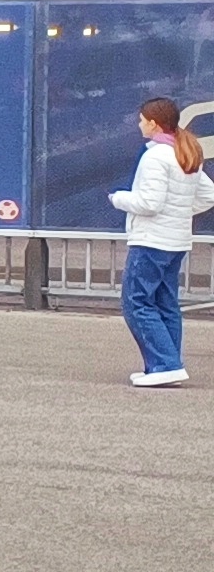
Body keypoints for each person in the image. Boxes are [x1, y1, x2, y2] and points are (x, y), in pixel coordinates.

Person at [111, 96, 209, 387]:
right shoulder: (184, 151)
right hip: (176, 240)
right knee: (165, 303)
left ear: (153, 123)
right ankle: (165, 364)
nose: (139, 124)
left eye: (142, 120)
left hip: (151, 240)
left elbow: (149, 203)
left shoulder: (155, 156)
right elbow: (208, 195)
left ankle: (164, 364)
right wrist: (179, 212)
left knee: (136, 302)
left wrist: (118, 198)